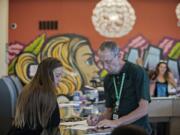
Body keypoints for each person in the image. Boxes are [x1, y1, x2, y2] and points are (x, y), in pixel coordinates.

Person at [87, 41, 152, 134]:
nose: (104, 66)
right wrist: (98, 119)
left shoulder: (137, 72)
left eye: (108, 61)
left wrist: (117, 122)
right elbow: (110, 111)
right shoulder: (108, 79)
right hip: (116, 131)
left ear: (119, 56)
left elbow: (143, 109)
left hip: (137, 130)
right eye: (102, 62)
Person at [8, 57, 64, 135]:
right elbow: (54, 124)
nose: (60, 79)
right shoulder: (47, 95)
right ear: (48, 76)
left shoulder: (28, 89)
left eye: (61, 75)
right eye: (58, 76)